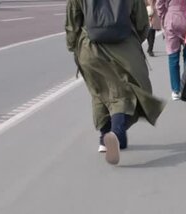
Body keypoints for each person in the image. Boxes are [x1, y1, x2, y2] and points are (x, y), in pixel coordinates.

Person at [66, 0, 165, 165]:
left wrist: (73, 47)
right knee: (126, 94)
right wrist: (133, 42)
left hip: (89, 47)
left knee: (99, 91)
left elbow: (72, 23)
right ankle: (116, 134)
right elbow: (141, 23)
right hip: (123, 47)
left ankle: (104, 138)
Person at [156, 0, 186, 101]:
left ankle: (175, 90)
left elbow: (159, 4)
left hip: (171, 18)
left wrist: (163, 16)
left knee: (173, 56)